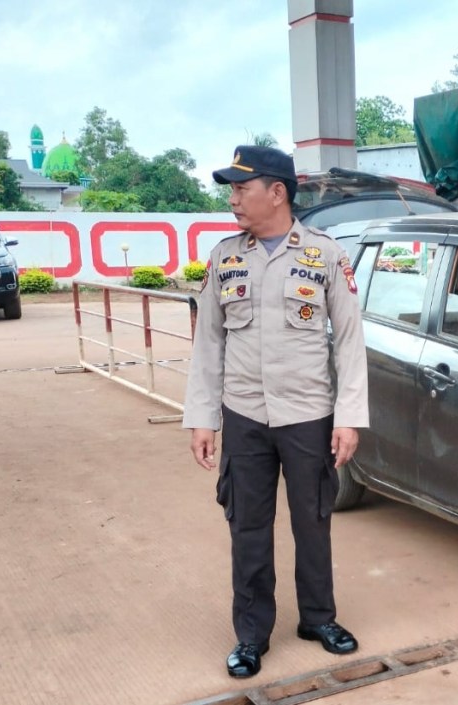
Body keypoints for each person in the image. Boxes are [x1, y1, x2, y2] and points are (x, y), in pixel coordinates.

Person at [182, 145, 369, 679]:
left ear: (277, 192)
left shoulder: (325, 255)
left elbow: (349, 341)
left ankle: (318, 618)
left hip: (308, 413)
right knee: (248, 527)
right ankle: (251, 634)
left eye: (242, 189)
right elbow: (208, 343)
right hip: (244, 415)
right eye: (232, 191)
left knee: (313, 522)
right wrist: (203, 417)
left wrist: (348, 416)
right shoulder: (225, 257)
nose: (233, 199)